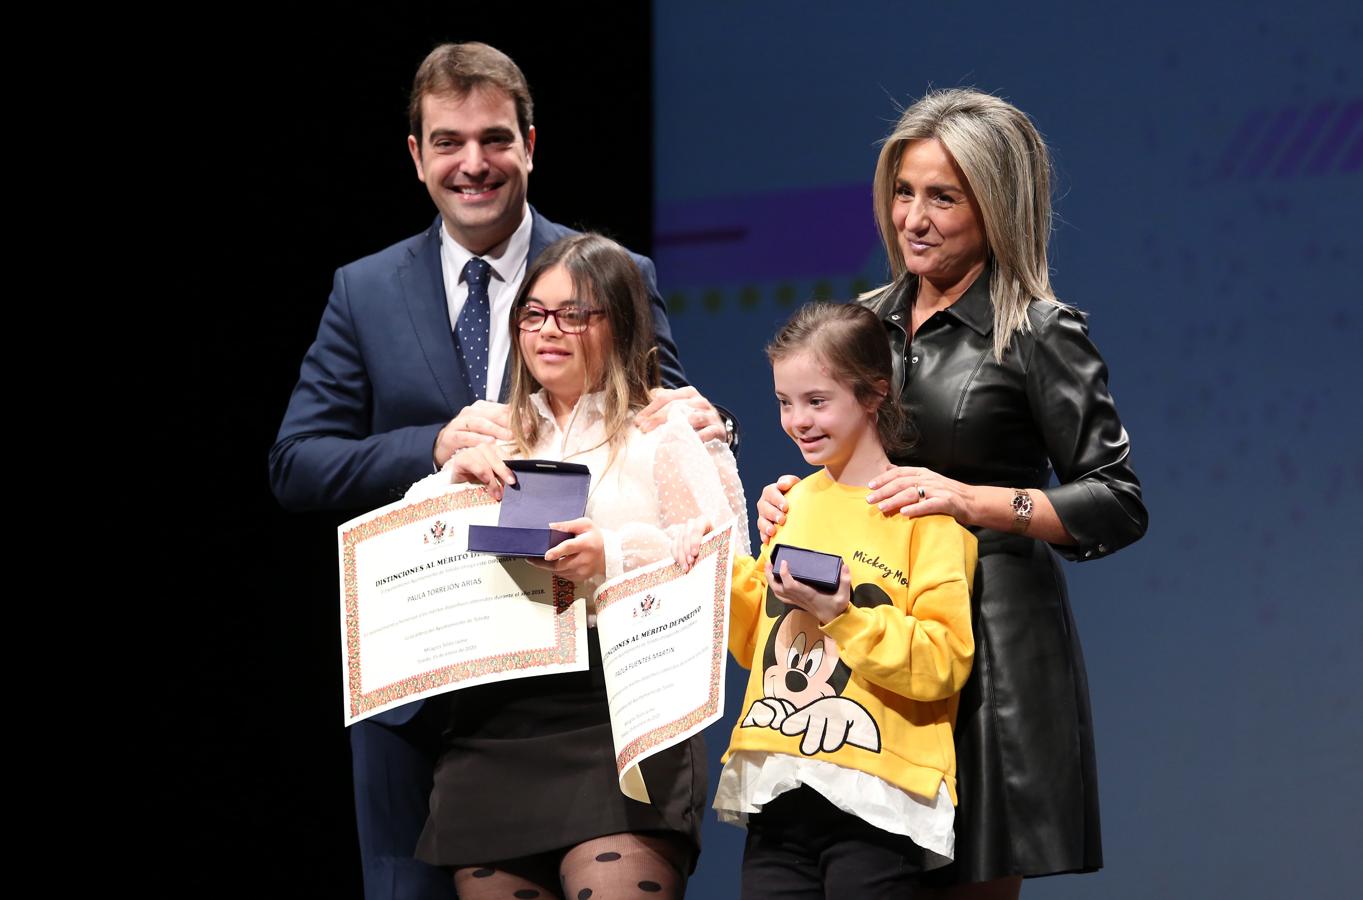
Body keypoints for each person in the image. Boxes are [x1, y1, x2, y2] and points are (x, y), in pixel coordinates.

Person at [268, 42, 731, 900]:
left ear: (529, 143)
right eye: (447, 142)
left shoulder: (618, 273)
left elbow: (665, 422)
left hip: (593, 683)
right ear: (416, 155)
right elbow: (297, 465)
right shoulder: (363, 291)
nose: (472, 164)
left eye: (492, 139)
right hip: (426, 690)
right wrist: (431, 445)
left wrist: (716, 427)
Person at [756, 89, 1148, 898]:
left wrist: (972, 501)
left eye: (943, 196)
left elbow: (1115, 499)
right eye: (903, 192)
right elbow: (839, 457)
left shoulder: (1038, 331)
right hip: (868, 639)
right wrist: (794, 497)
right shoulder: (861, 323)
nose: (913, 218)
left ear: (996, 204)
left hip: (992, 651)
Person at [403, 232, 747, 900]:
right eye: (532, 314)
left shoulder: (664, 429)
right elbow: (404, 555)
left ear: (616, 323)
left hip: (622, 714)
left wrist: (611, 556)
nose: (547, 331)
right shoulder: (489, 431)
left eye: (572, 314)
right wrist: (445, 481)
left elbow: (727, 566)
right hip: (495, 722)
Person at [677, 302, 976, 898]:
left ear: (873, 395)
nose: (798, 421)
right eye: (785, 402)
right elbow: (754, 641)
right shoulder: (792, 504)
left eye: (817, 401)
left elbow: (944, 661)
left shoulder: (926, 517)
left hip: (880, 799)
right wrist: (704, 565)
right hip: (780, 790)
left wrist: (843, 617)